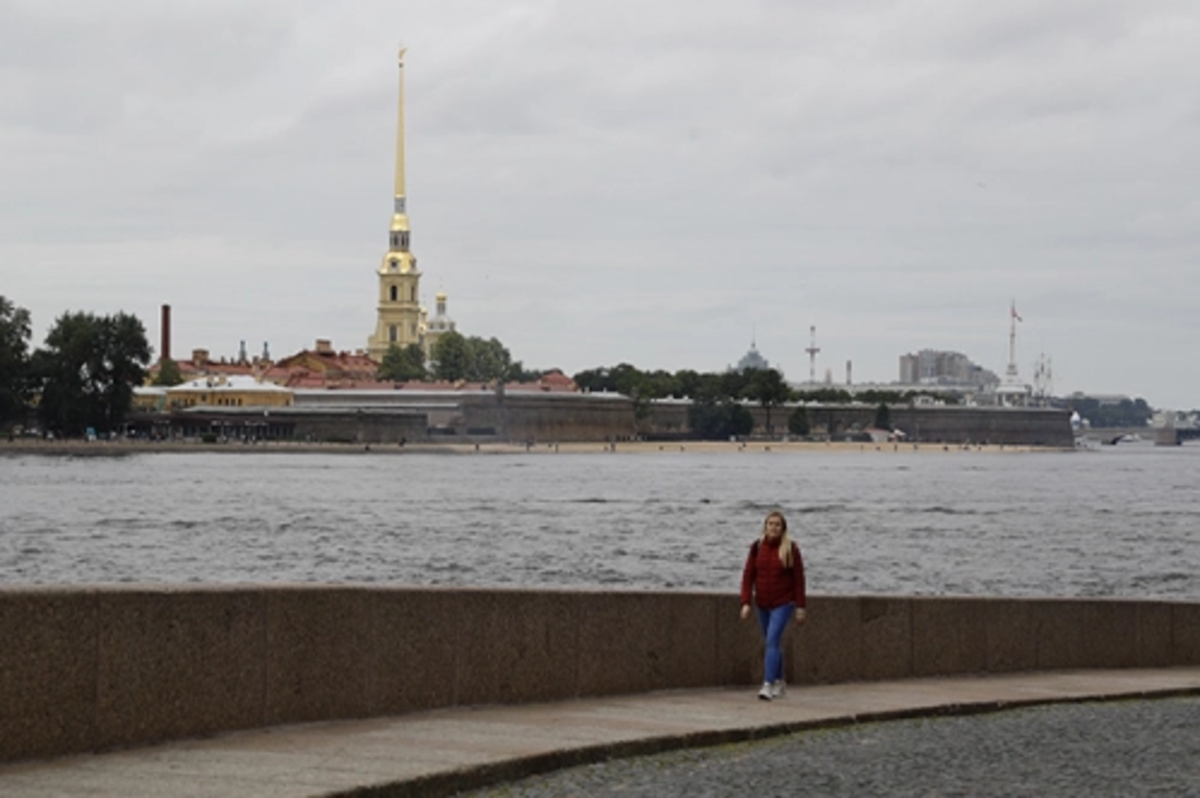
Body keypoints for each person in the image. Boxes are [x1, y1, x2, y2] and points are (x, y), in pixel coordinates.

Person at [740, 509, 807, 700]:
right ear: (765, 526)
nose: (773, 527)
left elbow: (798, 580)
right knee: (773, 642)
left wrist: (800, 607)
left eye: (777, 524)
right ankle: (779, 682)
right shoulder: (757, 547)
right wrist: (745, 601)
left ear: (783, 528)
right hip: (762, 602)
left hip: (783, 602)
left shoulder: (791, 549)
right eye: (770, 524)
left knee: (771, 640)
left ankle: (767, 684)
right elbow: (748, 576)